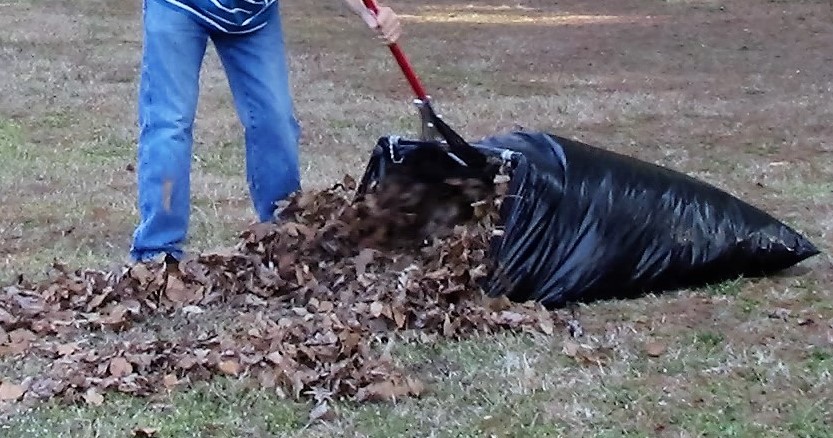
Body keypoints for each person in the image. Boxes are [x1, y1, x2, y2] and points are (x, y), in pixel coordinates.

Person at [129, 0, 402, 266]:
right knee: (170, 124)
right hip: (180, 7)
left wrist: (369, 9)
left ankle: (283, 237)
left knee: (276, 121)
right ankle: (157, 252)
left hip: (252, 16)